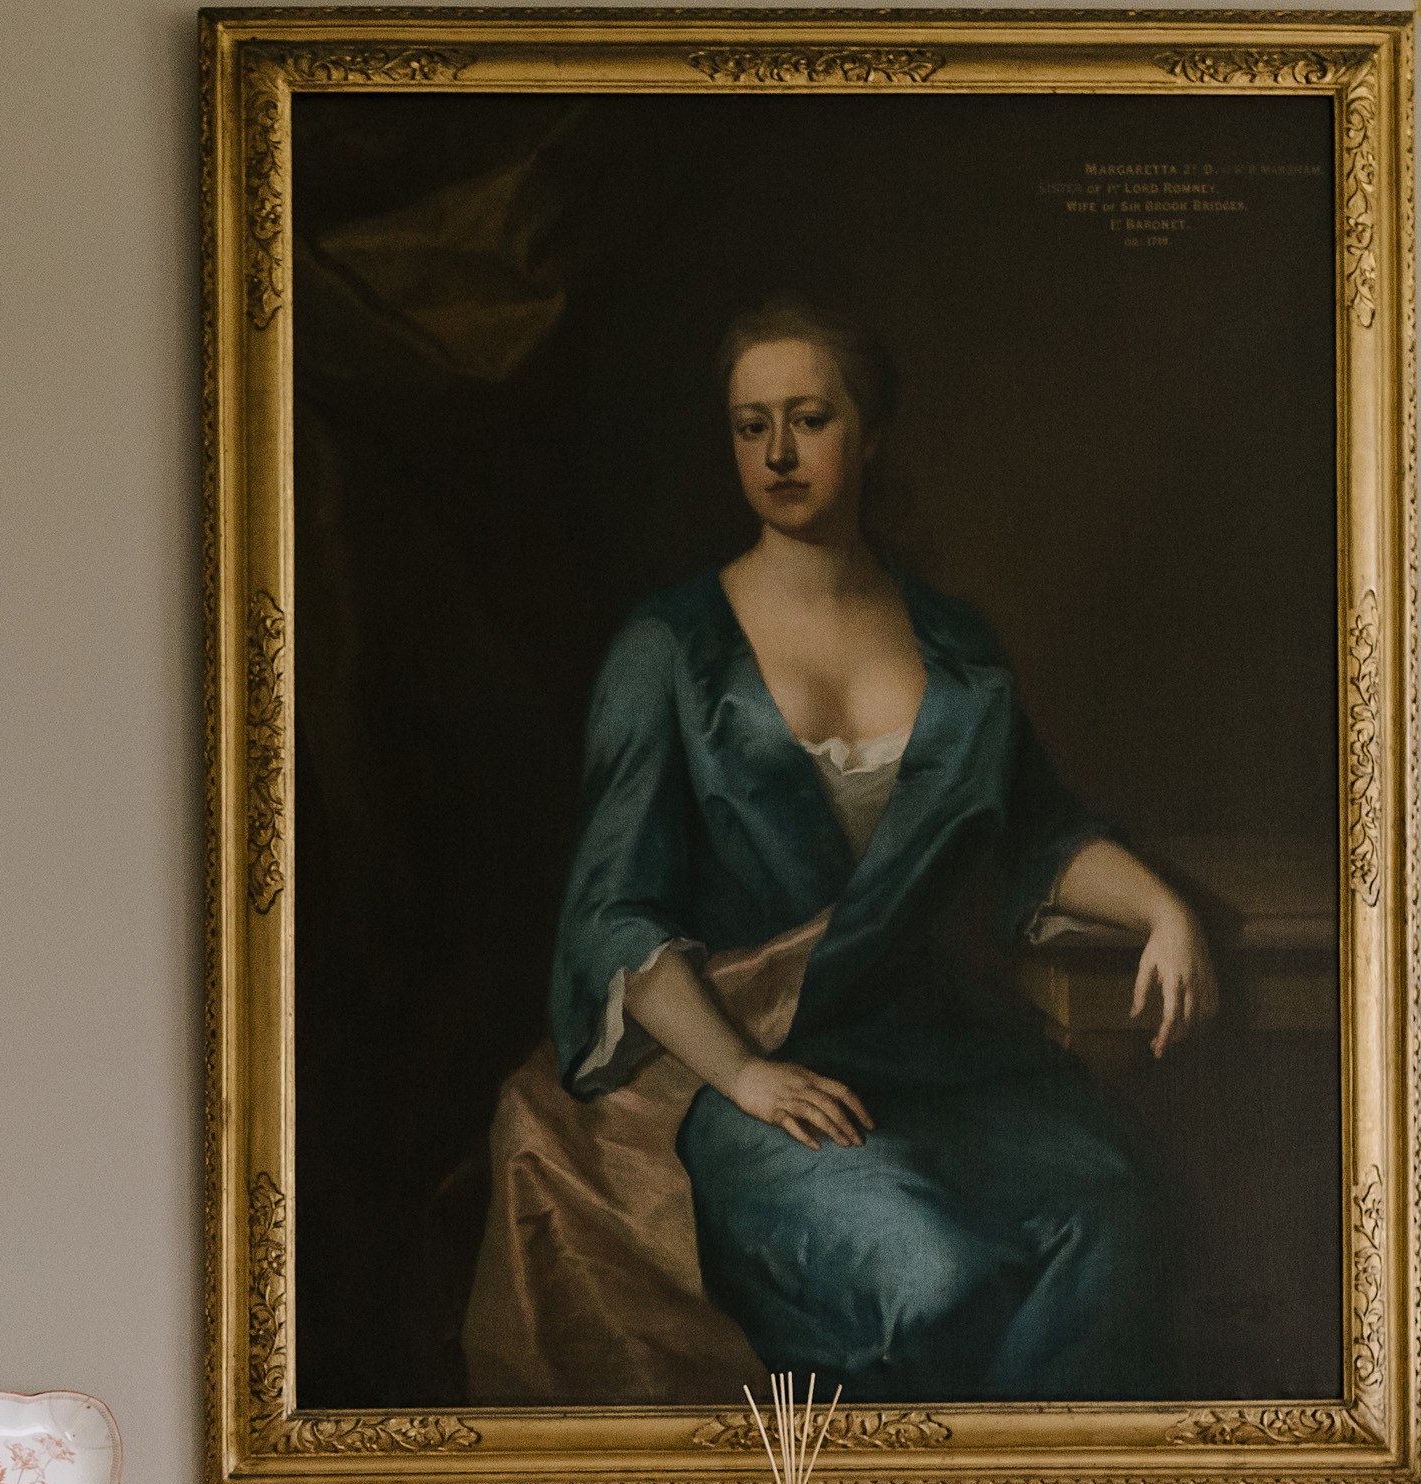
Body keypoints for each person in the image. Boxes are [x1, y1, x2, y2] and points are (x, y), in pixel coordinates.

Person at [515, 297, 1219, 1401]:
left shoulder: (954, 642)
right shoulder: (668, 650)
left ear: (869, 433)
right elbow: (615, 913)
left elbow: (1034, 836)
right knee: (928, 1276)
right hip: (750, 1062)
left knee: (1118, 1214)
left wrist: (1161, 910)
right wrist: (745, 1075)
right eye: (752, 426)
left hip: (933, 1053)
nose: (779, 453)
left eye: (808, 418)